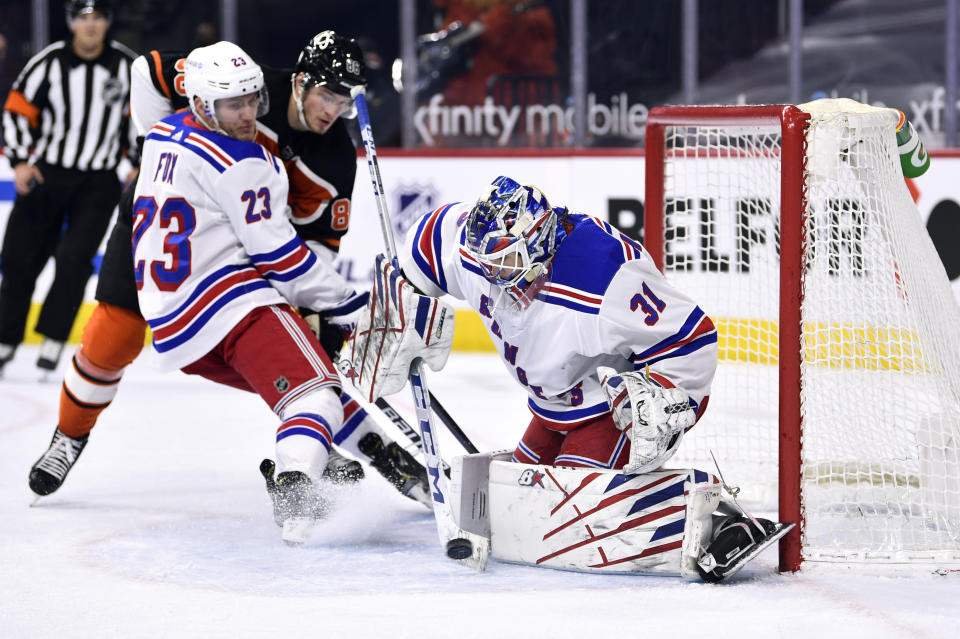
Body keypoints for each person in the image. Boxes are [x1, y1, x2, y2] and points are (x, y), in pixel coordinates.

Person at [27, 34, 430, 520]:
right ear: (300, 82)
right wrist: (159, 159)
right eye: (327, 95)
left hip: (228, 254)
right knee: (113, 336)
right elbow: (148, 72)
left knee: (300, 361)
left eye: (345, 103)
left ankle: (357, 452)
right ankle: (68, 438)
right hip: (161, 223)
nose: (333, 110)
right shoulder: (240, 79)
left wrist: (313, 309)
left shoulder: (334, 159)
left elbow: (316, 245)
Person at [343, 176, 791, 579]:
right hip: (551, 407)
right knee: (513, 507)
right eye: (486, 263)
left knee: (561, 520)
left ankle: (716, 523)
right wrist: (402, 305)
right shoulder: (475, 250)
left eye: (504, 262)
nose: (491, 277)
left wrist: (667, 402)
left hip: (606, 409)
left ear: (539, 243)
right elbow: (425, 243)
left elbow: (693, 340)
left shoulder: (605, 277)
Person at [0, 0, 136, 373]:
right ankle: (6, 337)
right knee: (17, 257)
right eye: (83, 18)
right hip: (49, 175)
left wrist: (139, 163)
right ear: (72, 24)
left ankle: (55, 337)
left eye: (97, 18)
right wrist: (20, 161)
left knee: (74, 260)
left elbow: (142, 118)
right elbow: (16, 110)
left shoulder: (126, 66)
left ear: (108, 23)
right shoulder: (48, 62)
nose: (90, 26)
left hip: (98, 181)